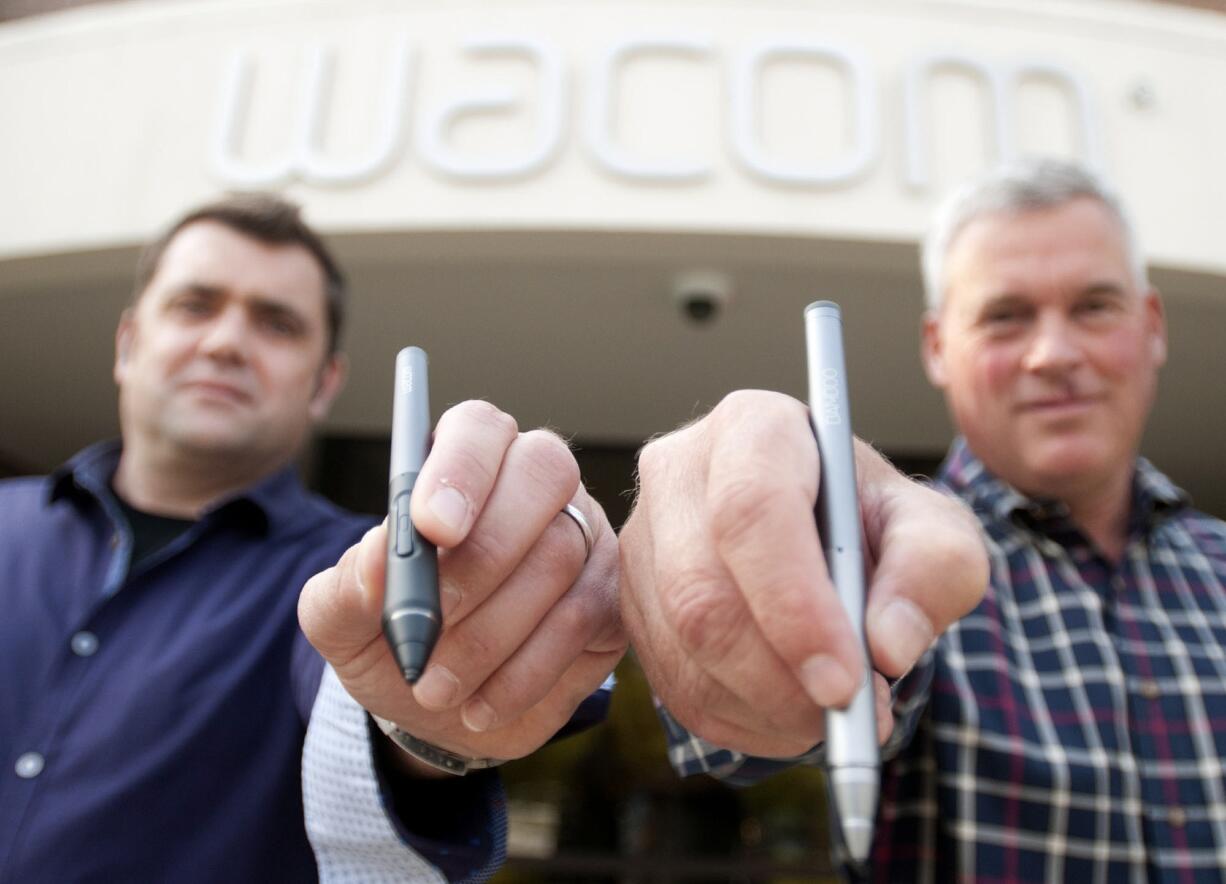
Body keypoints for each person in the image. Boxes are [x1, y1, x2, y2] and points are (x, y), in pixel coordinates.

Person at [623, 157, 1226, 882]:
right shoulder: (897, 559)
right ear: (939, 347)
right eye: (1006, 316)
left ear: (1152, 326)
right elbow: (748, 733)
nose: (1055, 354)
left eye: (1095, 307)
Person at [0, 193, 623, 882]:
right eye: (195, 305)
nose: (225, 342)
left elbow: (364, 698)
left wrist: (433, 717)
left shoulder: (352, 568)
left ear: (324, 384)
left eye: (278, 324)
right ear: (128, 344)